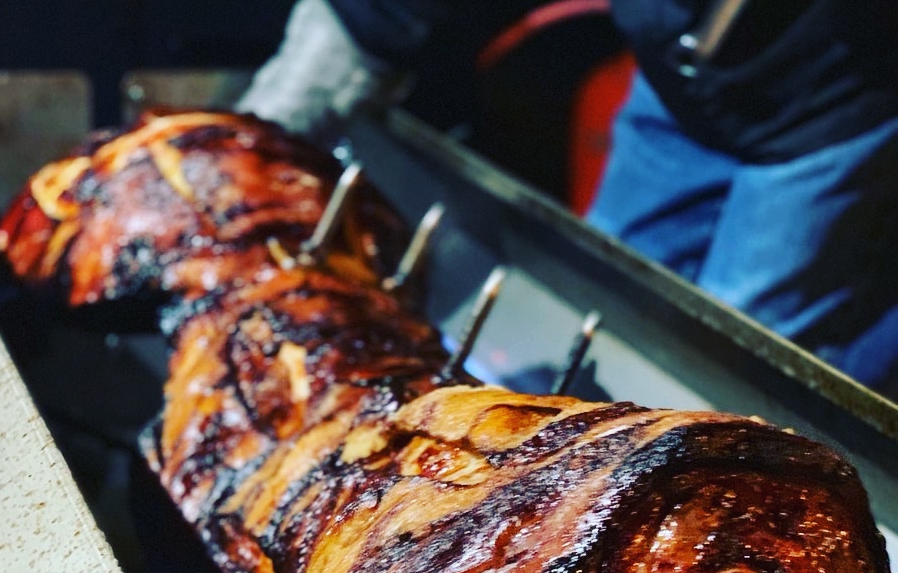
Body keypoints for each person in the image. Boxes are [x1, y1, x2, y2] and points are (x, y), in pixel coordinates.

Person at [236, 0, 898, 394]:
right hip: (680, 74)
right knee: (615, 333)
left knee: (746, 373)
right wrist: (352, 38)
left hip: (838, 110)